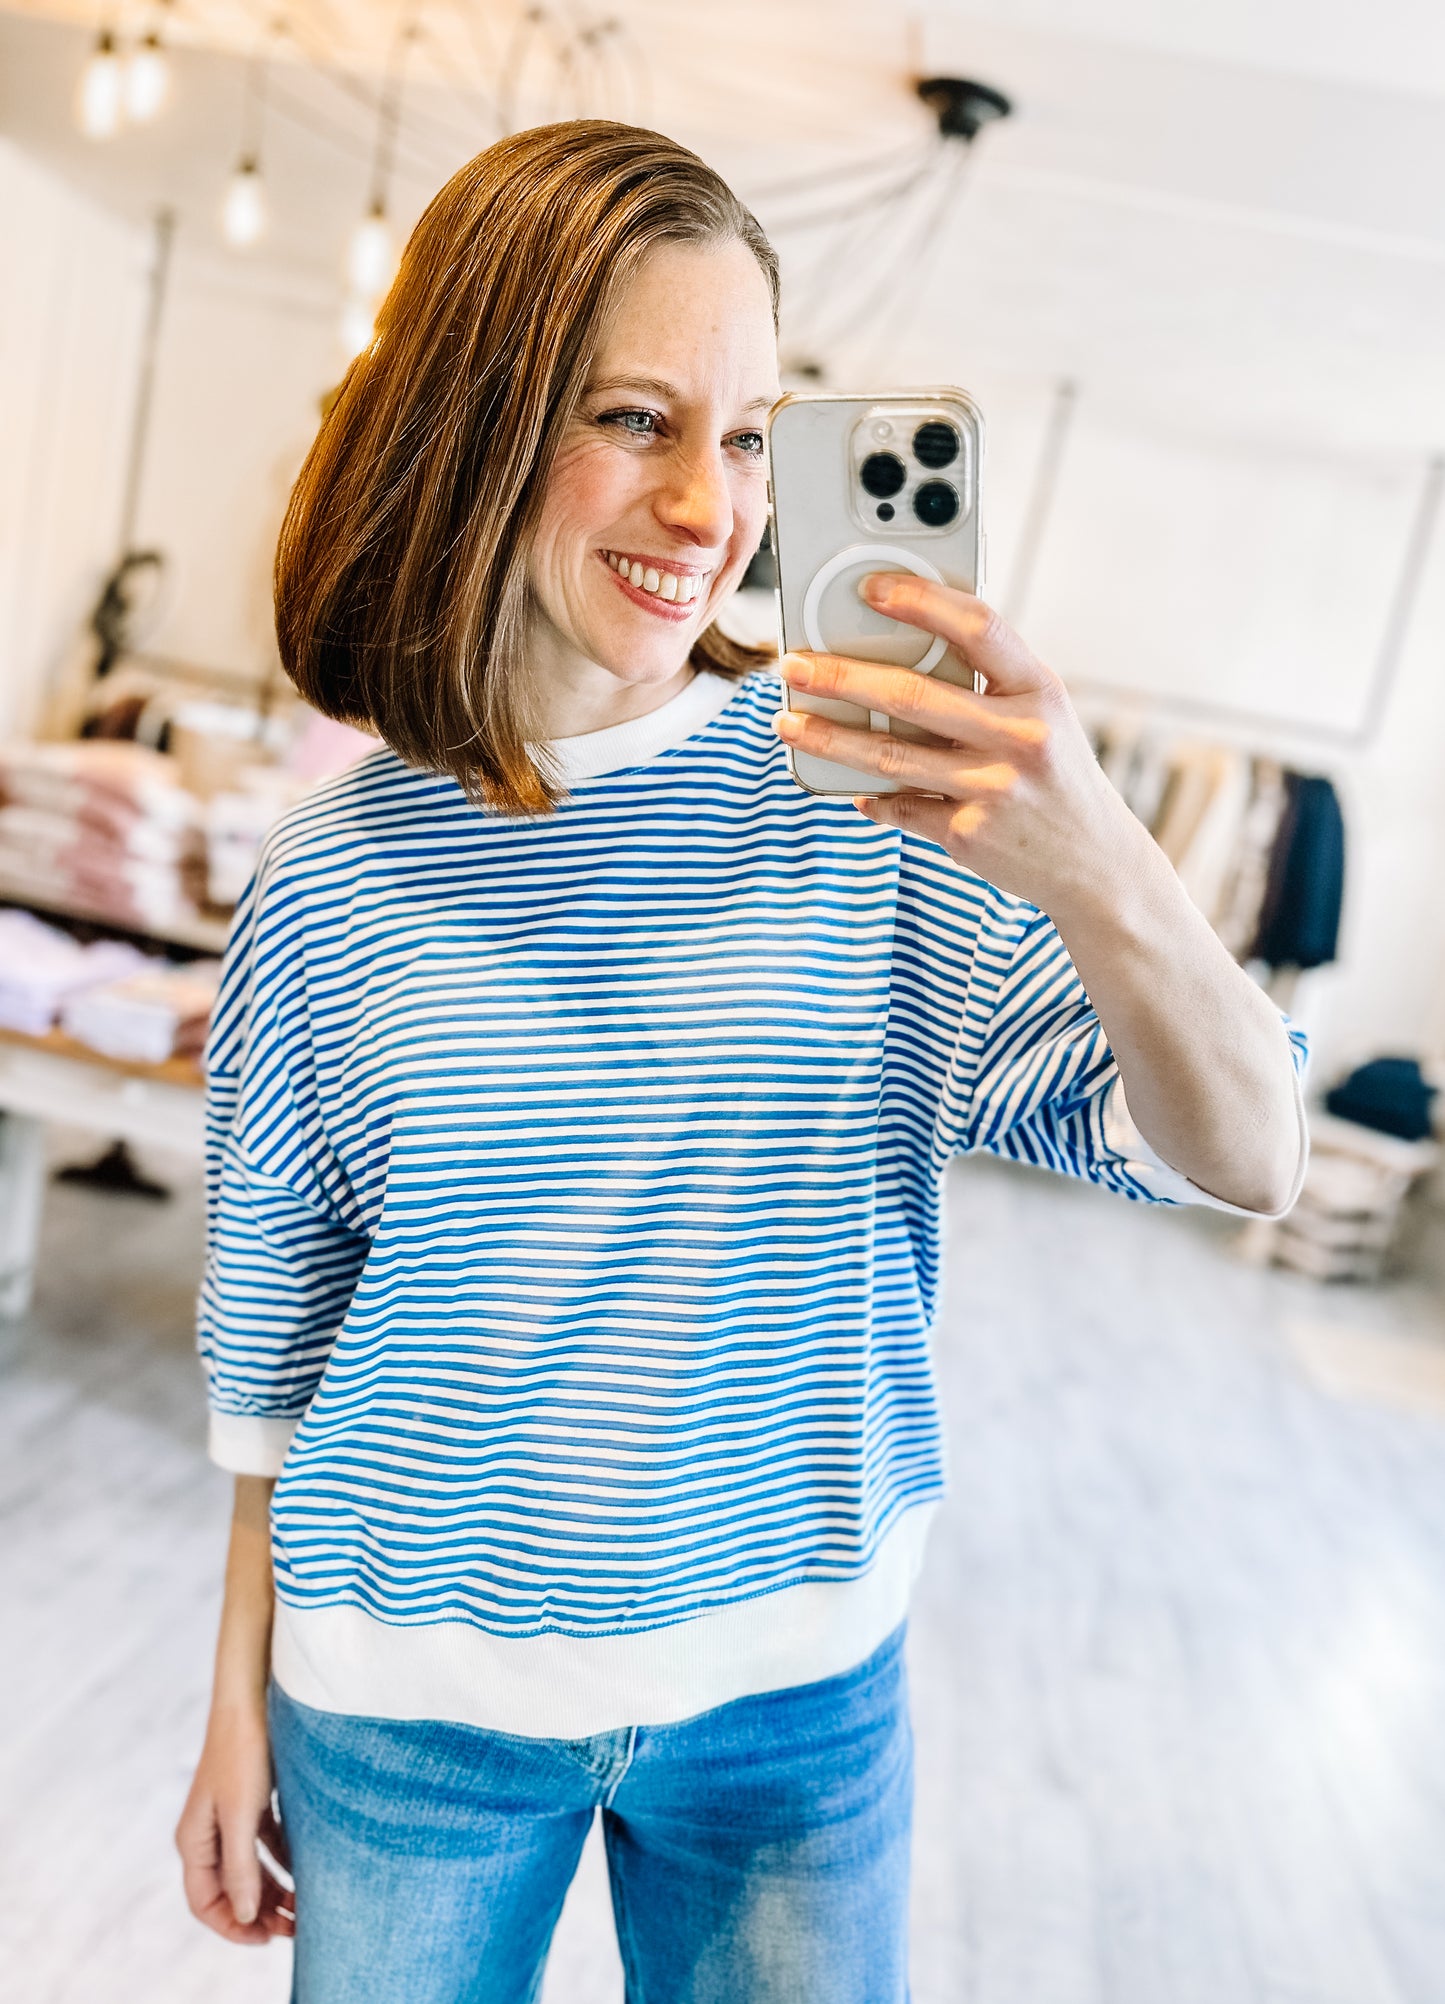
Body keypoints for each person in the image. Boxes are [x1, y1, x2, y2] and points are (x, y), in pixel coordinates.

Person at [175, 118, 1307, 2003]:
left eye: (753, 430)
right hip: (406, 1709)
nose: (712, 506)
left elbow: (1249, 1149)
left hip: (797, 1701)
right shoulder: (331, 877)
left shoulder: (869, 806)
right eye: (634, 418)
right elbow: (274, 1329)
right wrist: (232, 1699)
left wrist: (1092, 844)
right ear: (480, 420)